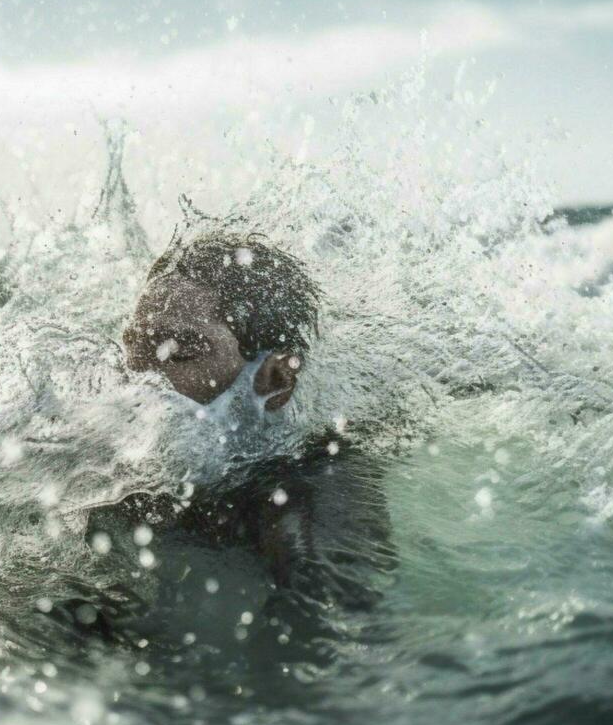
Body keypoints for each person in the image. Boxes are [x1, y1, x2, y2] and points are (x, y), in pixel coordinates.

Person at [79, 225, 394, 642]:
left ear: (276, 380)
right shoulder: (98, 457)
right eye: (133, 345)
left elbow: (338, 632)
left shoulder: (316, 483)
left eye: (181, 352)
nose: (139, 376)